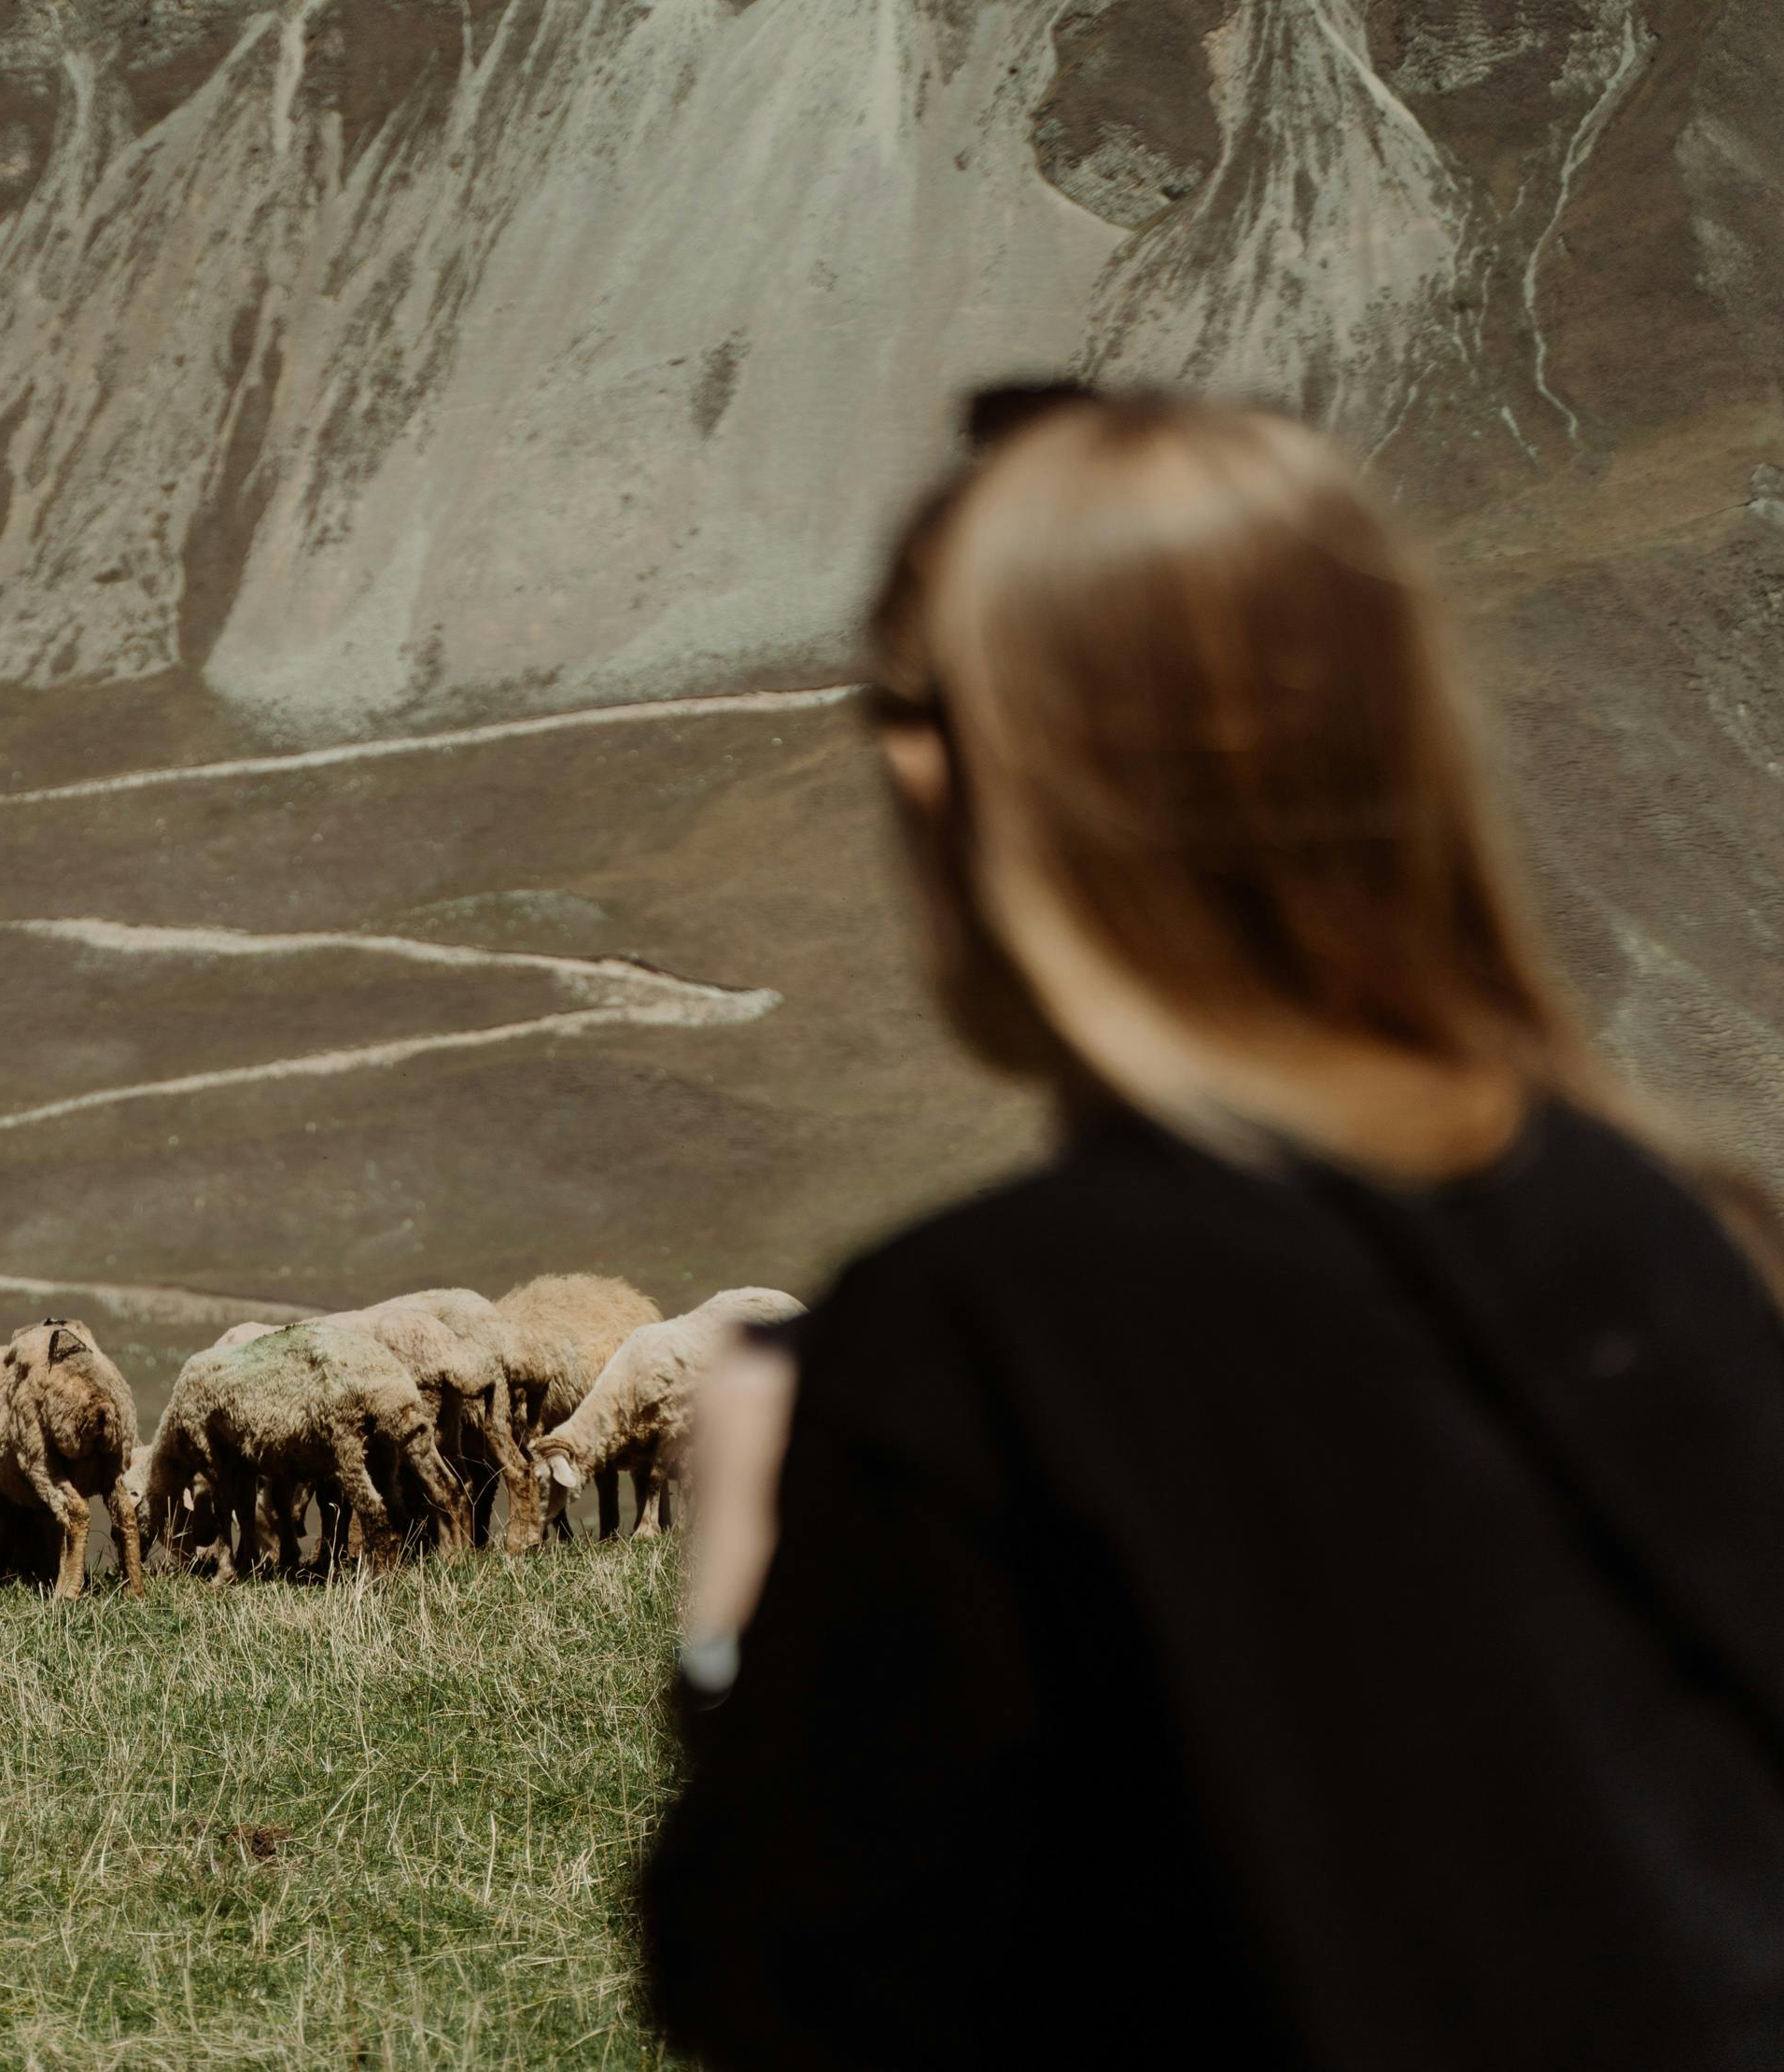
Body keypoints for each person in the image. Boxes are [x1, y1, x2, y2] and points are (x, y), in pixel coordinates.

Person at [634, 388, 1784, 2070]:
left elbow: (795, 1993)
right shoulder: (1681, 1239)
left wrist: (733, 1601)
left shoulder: (992, 1341)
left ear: (970, 774)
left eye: (898, 707)